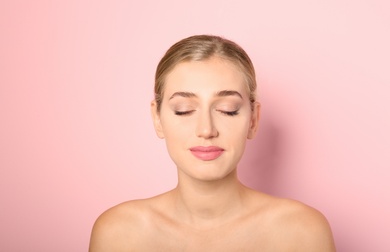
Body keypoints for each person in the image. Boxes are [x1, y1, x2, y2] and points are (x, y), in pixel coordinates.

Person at [89, 35, 336, 251]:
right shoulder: (119, 233)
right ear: (157, 118)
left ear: (253, 120)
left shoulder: (302, 232)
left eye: (227, 110)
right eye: (184, 110)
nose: (206, 130)